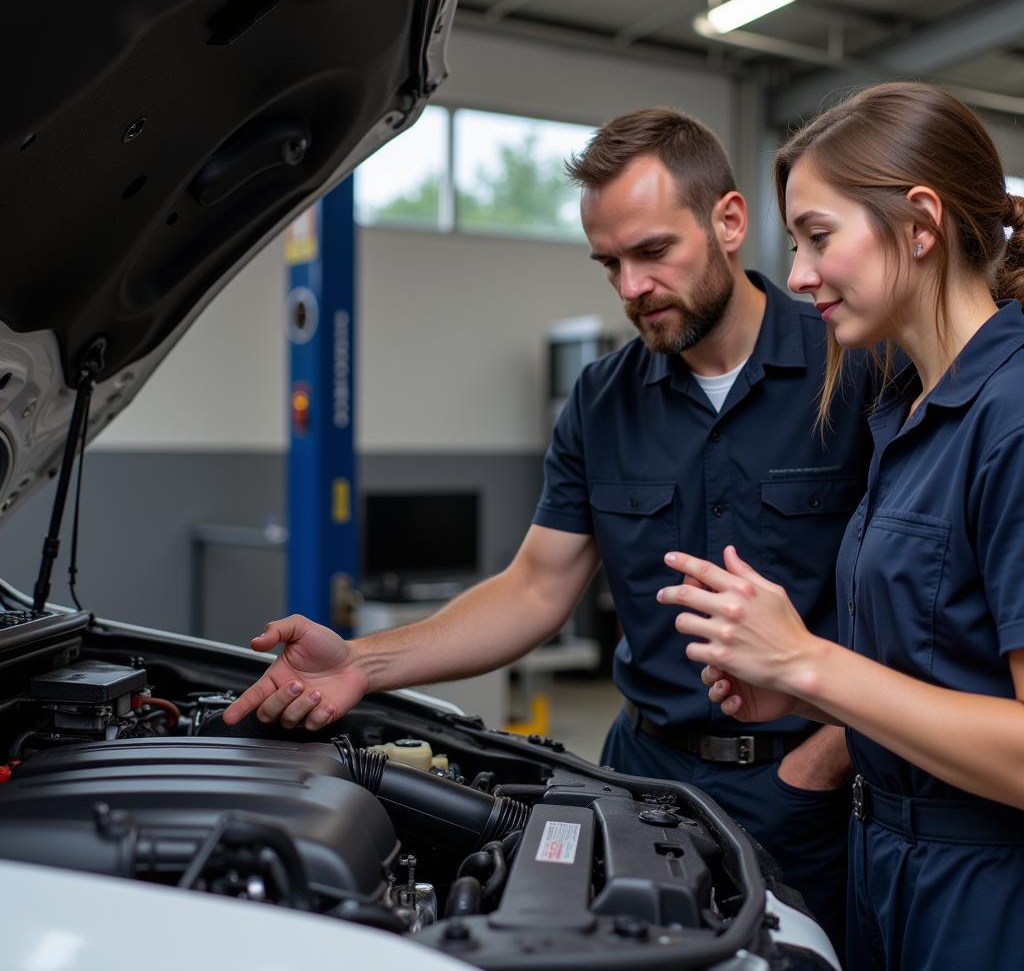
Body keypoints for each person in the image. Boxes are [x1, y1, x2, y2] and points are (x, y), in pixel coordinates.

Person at [222, 107, 876, 946]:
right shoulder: (600, 405)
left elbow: (907, 606)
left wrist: (822, 761)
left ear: (729, 221)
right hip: (644, 779)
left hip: (808, 795)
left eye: (652, 253)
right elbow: (535, 589)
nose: (630, 287)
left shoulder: (854, 370)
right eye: (608, 264)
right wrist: (361, 663)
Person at [660, 81, 1024, 971]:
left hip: (987, 897)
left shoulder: (1011, 417)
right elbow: (943, 666)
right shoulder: (906, 412)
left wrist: (808, 660)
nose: (797, 276)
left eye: (819, 237)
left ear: (921, 224)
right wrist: (804, 693)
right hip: (886, 870)